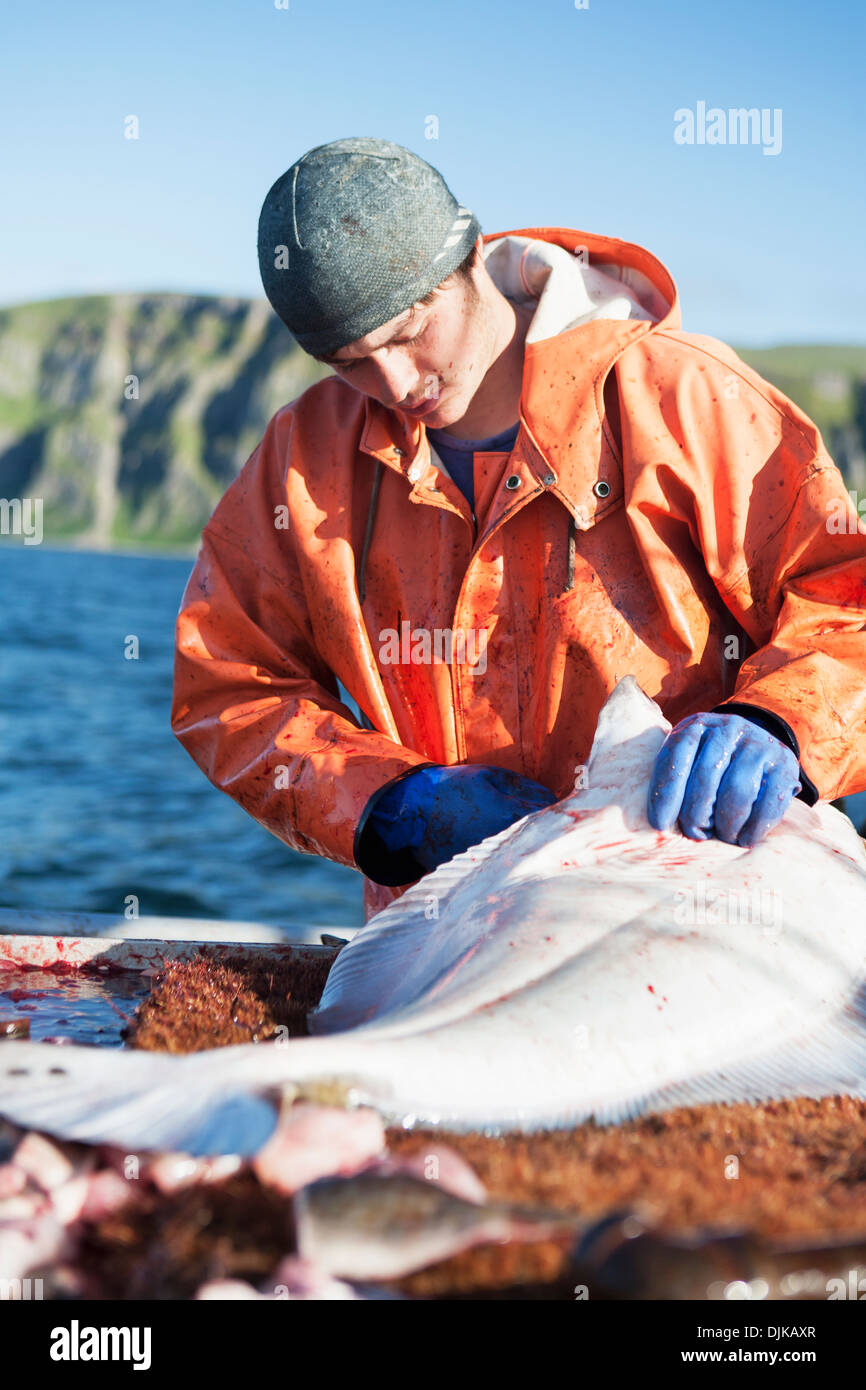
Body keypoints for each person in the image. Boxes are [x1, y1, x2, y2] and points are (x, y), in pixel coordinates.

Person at [171, 136, 866, 923]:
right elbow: (229, 684)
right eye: (349, 362)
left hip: (710, 920)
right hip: (452, 942)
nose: (396, 384)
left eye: (406, 331)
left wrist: (779, 720)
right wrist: (387, 802)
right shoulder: (301, 459)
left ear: (469, 258)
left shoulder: (686, 397)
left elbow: (850, 600)